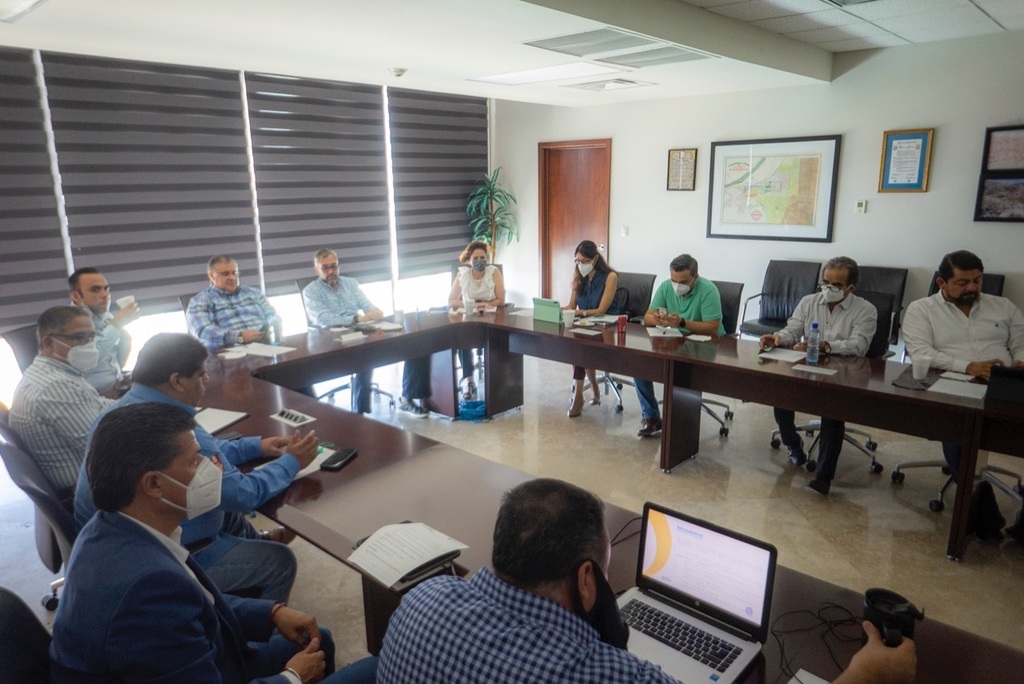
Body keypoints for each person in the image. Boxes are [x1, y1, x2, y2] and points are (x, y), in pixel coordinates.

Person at [377, 478, 915, 684]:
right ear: (585, 579)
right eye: (606, 567)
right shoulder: (610, 675)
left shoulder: (423, 598)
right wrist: (864, 678)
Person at [50, 403, 378, 684]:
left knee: (322, 641)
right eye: (196, 461)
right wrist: (291, 678)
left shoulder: (110, 527)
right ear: (154, 484)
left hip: (209, 658)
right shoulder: (147, 589)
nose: (212, 469)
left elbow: (197, 600)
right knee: (377, 669)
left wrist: (270, 612)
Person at [74, 333, 317, 602]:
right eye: (201, 374)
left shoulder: (122, 410)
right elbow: (244, 494)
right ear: (177, 381)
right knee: (279, 561)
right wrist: (292, 462)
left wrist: (256, 447)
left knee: (222, 505)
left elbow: (198, 452)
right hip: (156, 553)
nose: (207, 380)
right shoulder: (168, 425)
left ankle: (256, 543)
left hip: (113, 535)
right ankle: (250, 623)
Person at [902, 249, 1024, 540]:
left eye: (977, 280)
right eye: (963, 282)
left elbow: (1021, 342)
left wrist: (1020, 361)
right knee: (961, 428)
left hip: (1005, 383)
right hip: (951, 383)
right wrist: (969, 366)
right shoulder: (921, 310)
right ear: (942, 283)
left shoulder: (1003, 306)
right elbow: (921, 352)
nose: (972, 287)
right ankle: (979, 500)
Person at [759, 256, 877, 495]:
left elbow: (859, 346)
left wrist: (826, 346)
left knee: (832, 410)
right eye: (825, 283)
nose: (828, 289)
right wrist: (778, 338)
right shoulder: (809, 301)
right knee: (781, 396)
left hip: (845, 371)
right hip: (808, 365)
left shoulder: (866, 310)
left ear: (851, 287)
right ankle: (794, 446)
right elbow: (793, 330)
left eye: (836, 285)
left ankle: (823, 477)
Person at [302, 248, 432, 417]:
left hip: (358, 332)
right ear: (316, 270)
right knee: (364, 355)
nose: (331, 271)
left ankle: (408, 398)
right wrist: (357, 319)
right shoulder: (310, 291)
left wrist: (374, 312)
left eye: (334, 266)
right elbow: (323, 318)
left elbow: (367, 306)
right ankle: (360, 413)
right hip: (330, 339)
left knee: (415, 343)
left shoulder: (350, 283)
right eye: (325, 268)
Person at [9, 306, 114, 508]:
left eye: (91, 336)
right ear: (48, 343)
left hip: (87, 485)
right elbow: (105, 448)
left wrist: (137, 403)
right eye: (78, 337)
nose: (89, 345)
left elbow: (98, 405)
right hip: (93, 495)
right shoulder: (55, 386)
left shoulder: (57, 374)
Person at [633, 254, 724, 438]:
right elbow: (648, 316)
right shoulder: (666, 286)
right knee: (640, 363)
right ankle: (651, 417)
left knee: (680, 369)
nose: (677, 286)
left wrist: (682, 322)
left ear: (695, 277)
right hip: (675, 341)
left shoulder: (708, 290)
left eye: (683, 282)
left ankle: (682, 426)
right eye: (674, 280)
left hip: (706, 345)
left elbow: (712, 327)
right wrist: (656, 319)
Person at [561, 240, 619, 418]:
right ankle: (591, 388)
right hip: (585, 326)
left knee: (579, 347)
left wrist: (580, 313)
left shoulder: (610, 276)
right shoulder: (578, 275)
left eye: (584, 261)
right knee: (578, 344)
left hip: (606, 327)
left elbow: (601, 310)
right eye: (578, 261)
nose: (580, 264)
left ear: (595, 259)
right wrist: (556, 308)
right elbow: (571, 305)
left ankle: (578, 397)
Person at [446, 240, 507, 400]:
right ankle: (468, 380)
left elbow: (501, 300)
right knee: (462, 336)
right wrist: (472, 304)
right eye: (476, 258)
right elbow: (451, 300)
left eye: (482, 257)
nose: (480, 261)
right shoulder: (463, 274)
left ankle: (499, 383)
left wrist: (487, 304)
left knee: (498, 338)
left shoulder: (493, 272)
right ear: (469, 261)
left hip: (492, 317)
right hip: (469, 317)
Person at [68, 267, 140, 396]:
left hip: (118, 384)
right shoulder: (70, 323)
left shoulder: (105, 316)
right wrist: (116, 325)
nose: (105, 295)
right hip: (94, 394)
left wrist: (125, 338)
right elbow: (89, 359)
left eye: (106, 289)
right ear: (76, 296)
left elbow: (115, 361)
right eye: (95, 290)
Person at [187, 255, 283, 350]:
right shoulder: (201, 301)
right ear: (211, 276)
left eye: (234, 273)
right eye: (225, 274)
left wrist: (273, 324)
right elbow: (203, 330)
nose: (232, 278)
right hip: (227, 353)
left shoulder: (254, 293)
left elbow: (271, 314)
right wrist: (239, 337)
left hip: (265, 347)